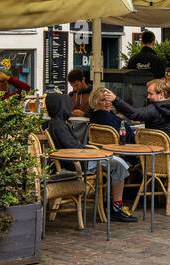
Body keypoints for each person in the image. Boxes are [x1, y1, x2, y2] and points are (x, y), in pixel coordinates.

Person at [45, 92, 136, 222]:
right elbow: (73, 148)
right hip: (79, 162)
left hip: (78, 159)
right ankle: (116, 208)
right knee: (119, 164)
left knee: (117, 163)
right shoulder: (59, 126)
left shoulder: (58, 123)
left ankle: (111, 203)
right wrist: (92, 152)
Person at [115, 77, 170, 185]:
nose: (148, 97)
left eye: (150, 94)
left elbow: (134, 114)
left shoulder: (152, 109)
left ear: (161, 94)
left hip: (150, 159)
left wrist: (115, 100)